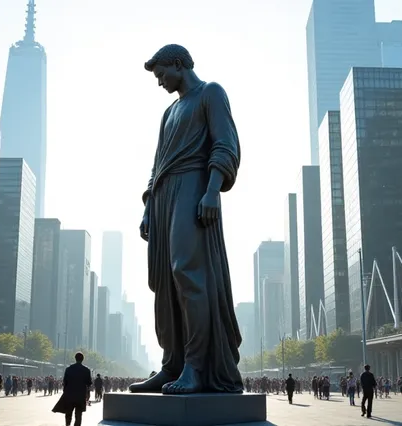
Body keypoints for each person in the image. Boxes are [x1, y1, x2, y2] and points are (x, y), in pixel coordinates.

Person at [128, 44, 243, 395]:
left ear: (179, 65)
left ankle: (195, 366)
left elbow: (225, 143)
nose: (159, 82)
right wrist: (149, 206)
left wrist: (212, 190)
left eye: (162, 74)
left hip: (194, 185)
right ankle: (171, 364)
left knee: (186, 271)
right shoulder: (169, 113)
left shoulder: (211, 93)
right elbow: (157, 163)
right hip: (164, 195)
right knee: (163, 281)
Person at [53, 352, 93, 426]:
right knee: (78, 415)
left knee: (68, 413)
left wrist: (65, 392)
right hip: (80, 396)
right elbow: (89, 384)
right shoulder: (86, 370)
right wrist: (88, 394)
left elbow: (65, 382)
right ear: (82, 359)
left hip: (69, 395)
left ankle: (67, 424)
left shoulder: (69, 369)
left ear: (75, 358)